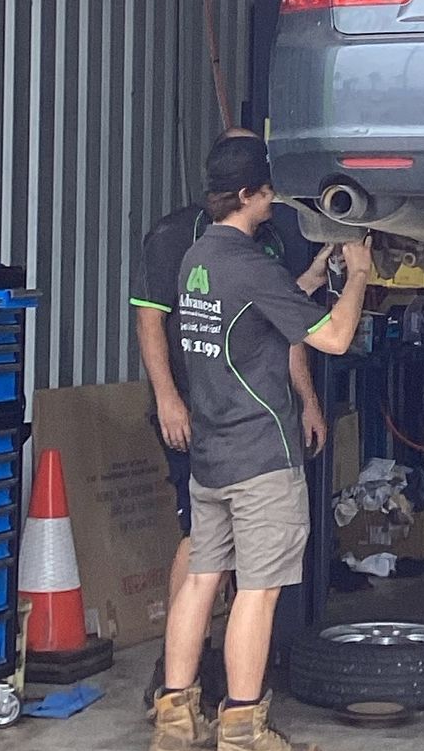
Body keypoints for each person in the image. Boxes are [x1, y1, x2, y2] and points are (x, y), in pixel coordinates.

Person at [133, 131, 372, 751]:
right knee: (258, 595)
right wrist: (358, 282)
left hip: (212, 455)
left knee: (203, 581)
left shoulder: (198, 260)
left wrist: (310, 279)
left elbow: (254, 313)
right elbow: (336, 337)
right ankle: (243, 730)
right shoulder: (252, 265)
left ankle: (176, 724)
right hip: (261, 457)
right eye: (266, 191)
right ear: (247, 195)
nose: (273, 200)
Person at [133, 127, 333, 642]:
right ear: (242, 188)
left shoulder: (266, 241)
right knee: (201, 549)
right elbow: (151, 322)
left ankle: (197, 676)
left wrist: (307, 400)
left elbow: (279, 323)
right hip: (196, 412)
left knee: (221, 560)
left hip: (249, 418)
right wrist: (168, 399)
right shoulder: (175, 237)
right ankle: (178, 668)